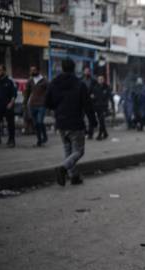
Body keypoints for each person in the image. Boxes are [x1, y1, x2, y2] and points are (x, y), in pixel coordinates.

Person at [45, 58, 96, 186]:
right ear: (74, 68)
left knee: (68, 150)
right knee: (79, 151)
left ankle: (74, 177)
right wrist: (93, 122)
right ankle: (62, 169)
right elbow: (87, 105)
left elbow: (47, 102)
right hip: (75, 122)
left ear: (62, 68)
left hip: (61, 122)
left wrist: (57, 109)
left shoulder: (54, 83)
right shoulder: (79, 84)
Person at [24, 66, 49, 146]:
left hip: (42, 105)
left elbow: (49, 92)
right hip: (32, 105)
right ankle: (39, 140)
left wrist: (48, 102)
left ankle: (44, 136)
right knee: (35, 124)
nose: (32, 72)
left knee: (40, 122)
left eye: (34, 70)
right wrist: (24, 104)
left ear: (38, 70)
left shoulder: (44, 81)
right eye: (31, 70)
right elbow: (27, 93)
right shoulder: (30, 81)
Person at [0, 64, 17, 147]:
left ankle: (11, 140)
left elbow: (14, 94)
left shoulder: (9, 81)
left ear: (4, 71)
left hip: (8, 105)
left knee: (10, 124)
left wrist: (11, 103)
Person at [90, 74, 113, 140]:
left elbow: (109, 96)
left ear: (104, 80)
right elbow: (92, 96)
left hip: (104, 106)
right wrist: (92, 98)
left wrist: (111, 106)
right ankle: (105, 133)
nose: (100, 80)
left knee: (101, 120)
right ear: (97, 80)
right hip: (97, 106)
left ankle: (100, 135)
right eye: (99, 79)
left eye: (102, 79)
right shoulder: (95, 87)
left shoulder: (106, 87)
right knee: (101, 120)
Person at [81, 66, 98, 139]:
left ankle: (90, 133)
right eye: (86, 71)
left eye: (88, 71)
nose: (87, 72)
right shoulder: (81, 80)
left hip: (91, 102)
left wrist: (94, 95)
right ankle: (85, 131)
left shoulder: (93, 80)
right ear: (83, 72)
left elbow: (96, 89)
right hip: (82, 101)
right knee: (81, 118)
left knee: (90, 117)